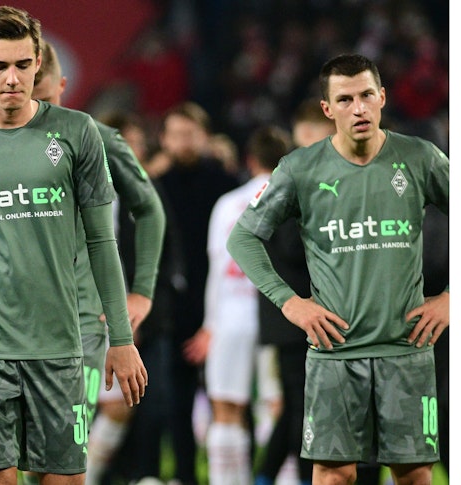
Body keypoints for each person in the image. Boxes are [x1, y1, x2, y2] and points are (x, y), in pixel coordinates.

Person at [0, 6, 147, 485]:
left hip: (60, 344)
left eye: (22, 64)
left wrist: (121, 339)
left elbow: (103, 242)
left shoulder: (78, 133)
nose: (12, 78)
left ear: (38, 62)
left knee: (63, 480)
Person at [226, 53, 449, 485]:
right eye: (345, 99)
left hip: (406, 350)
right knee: (332, 476)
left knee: (415, 474)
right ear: (328, 110)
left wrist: (451, 299)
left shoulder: (421, 158)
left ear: (382, 98)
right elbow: (243, 238)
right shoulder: (300, 169)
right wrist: (291, 304)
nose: (359, 108)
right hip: (334, 355)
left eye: (367, 95)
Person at [32, 40, 166, 485]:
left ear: (64, 86)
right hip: (14, 322)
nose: (40, 110)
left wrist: (141, 291)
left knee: (69, 444)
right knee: (23, 453)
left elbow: (149, 209)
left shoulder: (100, 139)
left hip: (86, 320)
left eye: (47, 98)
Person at [131, 102, 239, 484]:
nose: (184, 141)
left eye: (191, 133)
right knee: (171, 401)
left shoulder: (228, 186)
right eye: (176, 134)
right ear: (164, 139)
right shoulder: (154, 187)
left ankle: (224, 473)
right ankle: (180, 475)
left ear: (205, 137)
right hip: (171, 311)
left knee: (228, 398)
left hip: (220, 307)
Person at [183, 125, 292, 485]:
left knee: (226, 409)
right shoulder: (293, 200)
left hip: (230, 316)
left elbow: (218, 266)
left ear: (250, 160)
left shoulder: (228, 204)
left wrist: (209, 325)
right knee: (279, 410)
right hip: (280, 316)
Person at [253, 97, 335, 485]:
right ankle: (302, 478)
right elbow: (287, 245)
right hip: (297, 316)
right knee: (306, 407)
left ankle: (266, 475)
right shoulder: (297, 179)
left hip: (296, 317)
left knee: (299, 406)